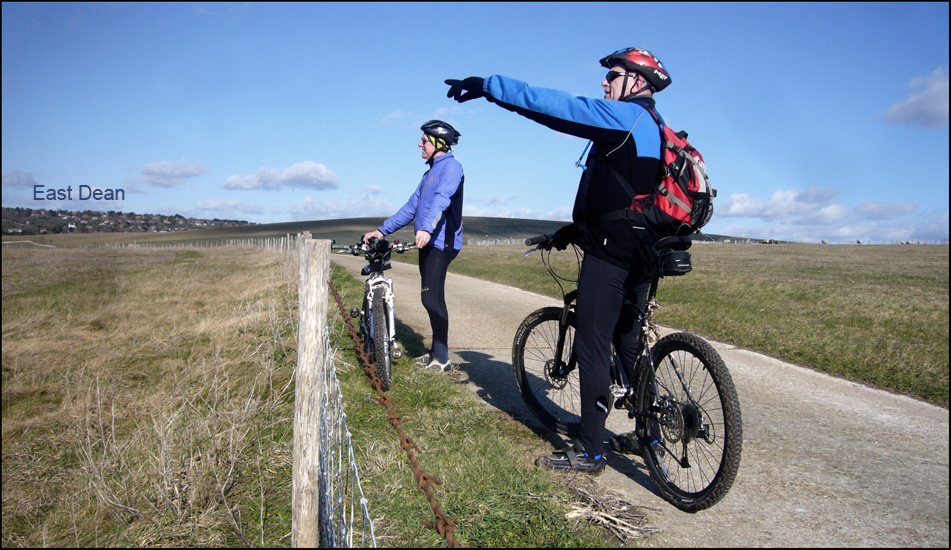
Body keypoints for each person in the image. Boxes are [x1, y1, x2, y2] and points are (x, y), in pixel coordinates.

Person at [446, 47, 673, 474]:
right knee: (628, 344)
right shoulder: (656, 128)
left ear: (638, 82)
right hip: (642, 248)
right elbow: (627, 201)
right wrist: (573, 231)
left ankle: (591, 450)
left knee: (591, 342)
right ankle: (651, 435)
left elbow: (553, 106)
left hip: (613, 254)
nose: (605, 83)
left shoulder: (626, 117)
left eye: (615, 75)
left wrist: (489, 86)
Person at [363, 120, 464, 372]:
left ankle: (442, 359)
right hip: (428, 241)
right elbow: (411, 207)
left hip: (442, 241)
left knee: (431, 299)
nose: (420, 144)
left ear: (439, 143)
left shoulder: (451, 167)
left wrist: (426, 228)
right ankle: (436, 353)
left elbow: (442, 200)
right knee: (432, 298)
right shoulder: (429, 173)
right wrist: (382, 229)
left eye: (425, 140)